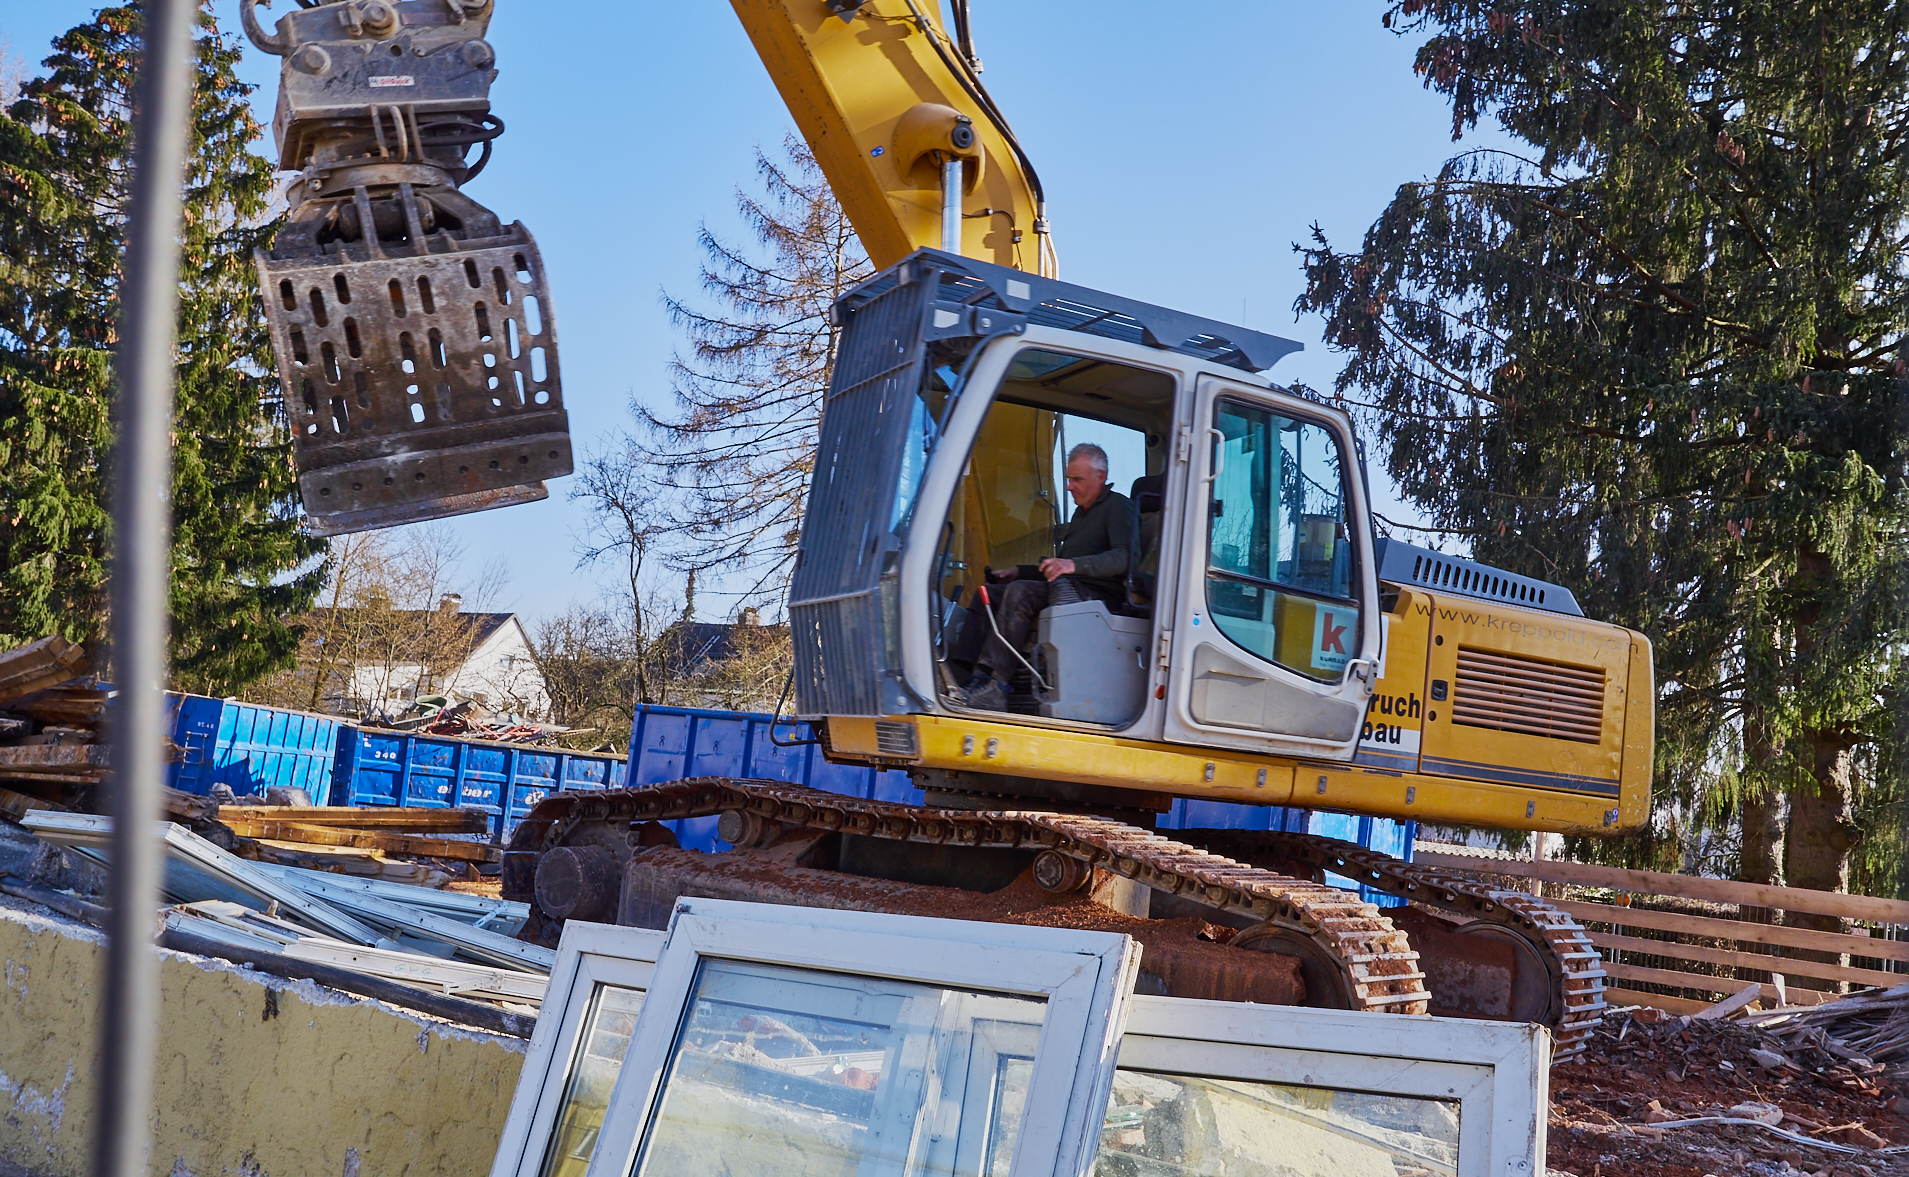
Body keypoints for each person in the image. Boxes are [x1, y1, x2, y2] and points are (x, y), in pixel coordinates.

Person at [950, 442, 1133, 711]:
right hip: (1065, 585)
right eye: (1068, 479)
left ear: (1101, 477)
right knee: (987, 594)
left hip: (1096, 595)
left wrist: (1072, 565)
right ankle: (969, 679)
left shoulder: (1118, 506)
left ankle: (997, 685)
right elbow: (1058, 568)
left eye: (1077, 480)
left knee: (1020, 592)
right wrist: (1017, 571)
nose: (1069, 486)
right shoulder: (1082, 514)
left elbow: (1124, 557)